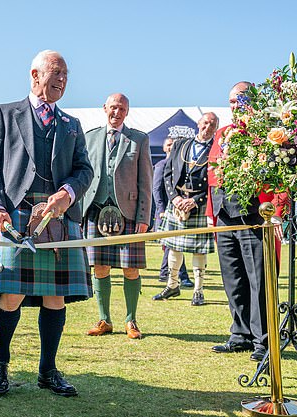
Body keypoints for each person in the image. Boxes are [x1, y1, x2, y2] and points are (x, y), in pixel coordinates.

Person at [0, 50, 93, 397]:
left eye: (65, 75)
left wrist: (67, 194)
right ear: (35, 74)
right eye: (55, 72)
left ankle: (48, 371)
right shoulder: (5, 113)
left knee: (55, 296)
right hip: (16, 217)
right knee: (10, 294)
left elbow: (85, 170)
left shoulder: (72, 124)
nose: (61, 79)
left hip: (58, 220)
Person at [207, 81, 286, 362]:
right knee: (234, 279)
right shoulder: (222, 134)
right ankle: (239, 335)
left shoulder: (265, 134)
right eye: (230, 101)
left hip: (255, 215)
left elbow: (280, 176)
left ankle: (264, 340)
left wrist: (277, 211)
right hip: (224, 216)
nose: (234, 106)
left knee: (259, 280)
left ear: (252, 102)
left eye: (239, 100)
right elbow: (211, 174)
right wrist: (210, 213)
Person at [81, 93, 152, 339]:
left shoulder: (139, 140)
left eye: (121, 108)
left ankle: (131, 320)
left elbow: (146, 182)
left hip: (129, 213)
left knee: (130, 269)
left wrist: (144, 217)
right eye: (113, 107)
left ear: (127, 111)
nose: (117, 112)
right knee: (99, 267)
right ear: (104, 108)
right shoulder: (89, 137)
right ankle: (104, 319)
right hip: (95, 210)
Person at [153, 113, 218, 306]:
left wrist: (196, 201)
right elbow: (168, 173)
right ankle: (172, 285)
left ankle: (198, 290)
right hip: (178, 201)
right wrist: (174, 198)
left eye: (212, 125)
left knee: (199, 250)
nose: (207, 127)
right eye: (205, 123)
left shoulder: (216, 149)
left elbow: (216, 182)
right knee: (174, 246)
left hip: (199, 203)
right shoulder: (181, 144)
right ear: (198, 124)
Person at [153, 136, 190, 286]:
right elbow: (156, 189)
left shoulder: (179, 164)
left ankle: (166, 274)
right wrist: (161, 209)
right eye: (168, 144)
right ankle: (182, 276)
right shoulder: (161, 165)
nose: (170, 147)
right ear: (163, 148)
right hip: (165, 212)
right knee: (173, 245)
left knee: (173, 245)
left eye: (173, 145)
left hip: (177, 211)